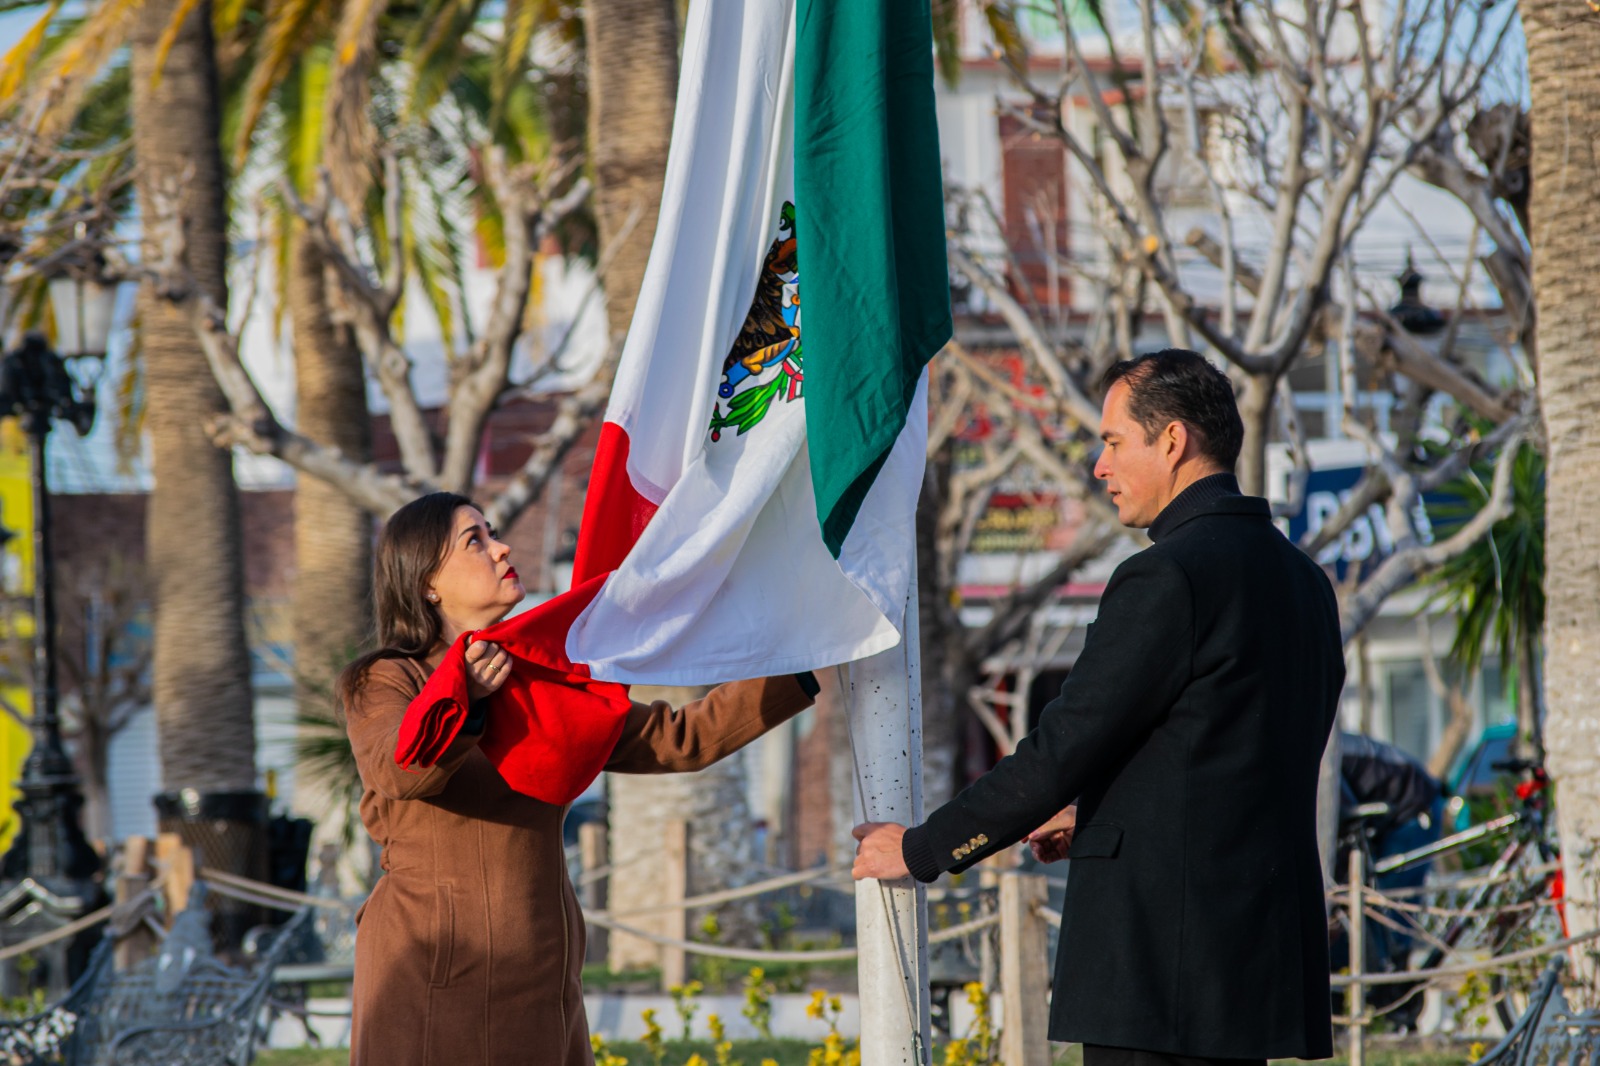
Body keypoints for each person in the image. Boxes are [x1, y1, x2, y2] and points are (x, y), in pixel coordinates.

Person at [853, 349, 1346, 1066]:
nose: (1099, 465)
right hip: (1252, 968)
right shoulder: (1305, 582)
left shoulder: (1166, 575)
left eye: (1114, 441)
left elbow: (1062, 749)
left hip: (1158, 976)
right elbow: (1230, 760)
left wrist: (921, 850)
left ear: (1172, 441)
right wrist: (1103, 814)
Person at [336, 492, 818, 1065]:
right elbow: (400, 769)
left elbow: (679, 740)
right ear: (427, 583)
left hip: (545, 983)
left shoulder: (536, 676)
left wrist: (806, 661)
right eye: (476, 540)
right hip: (439, 979)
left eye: (493, 532)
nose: (502, 547)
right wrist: (465, 695)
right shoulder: (386, 679)